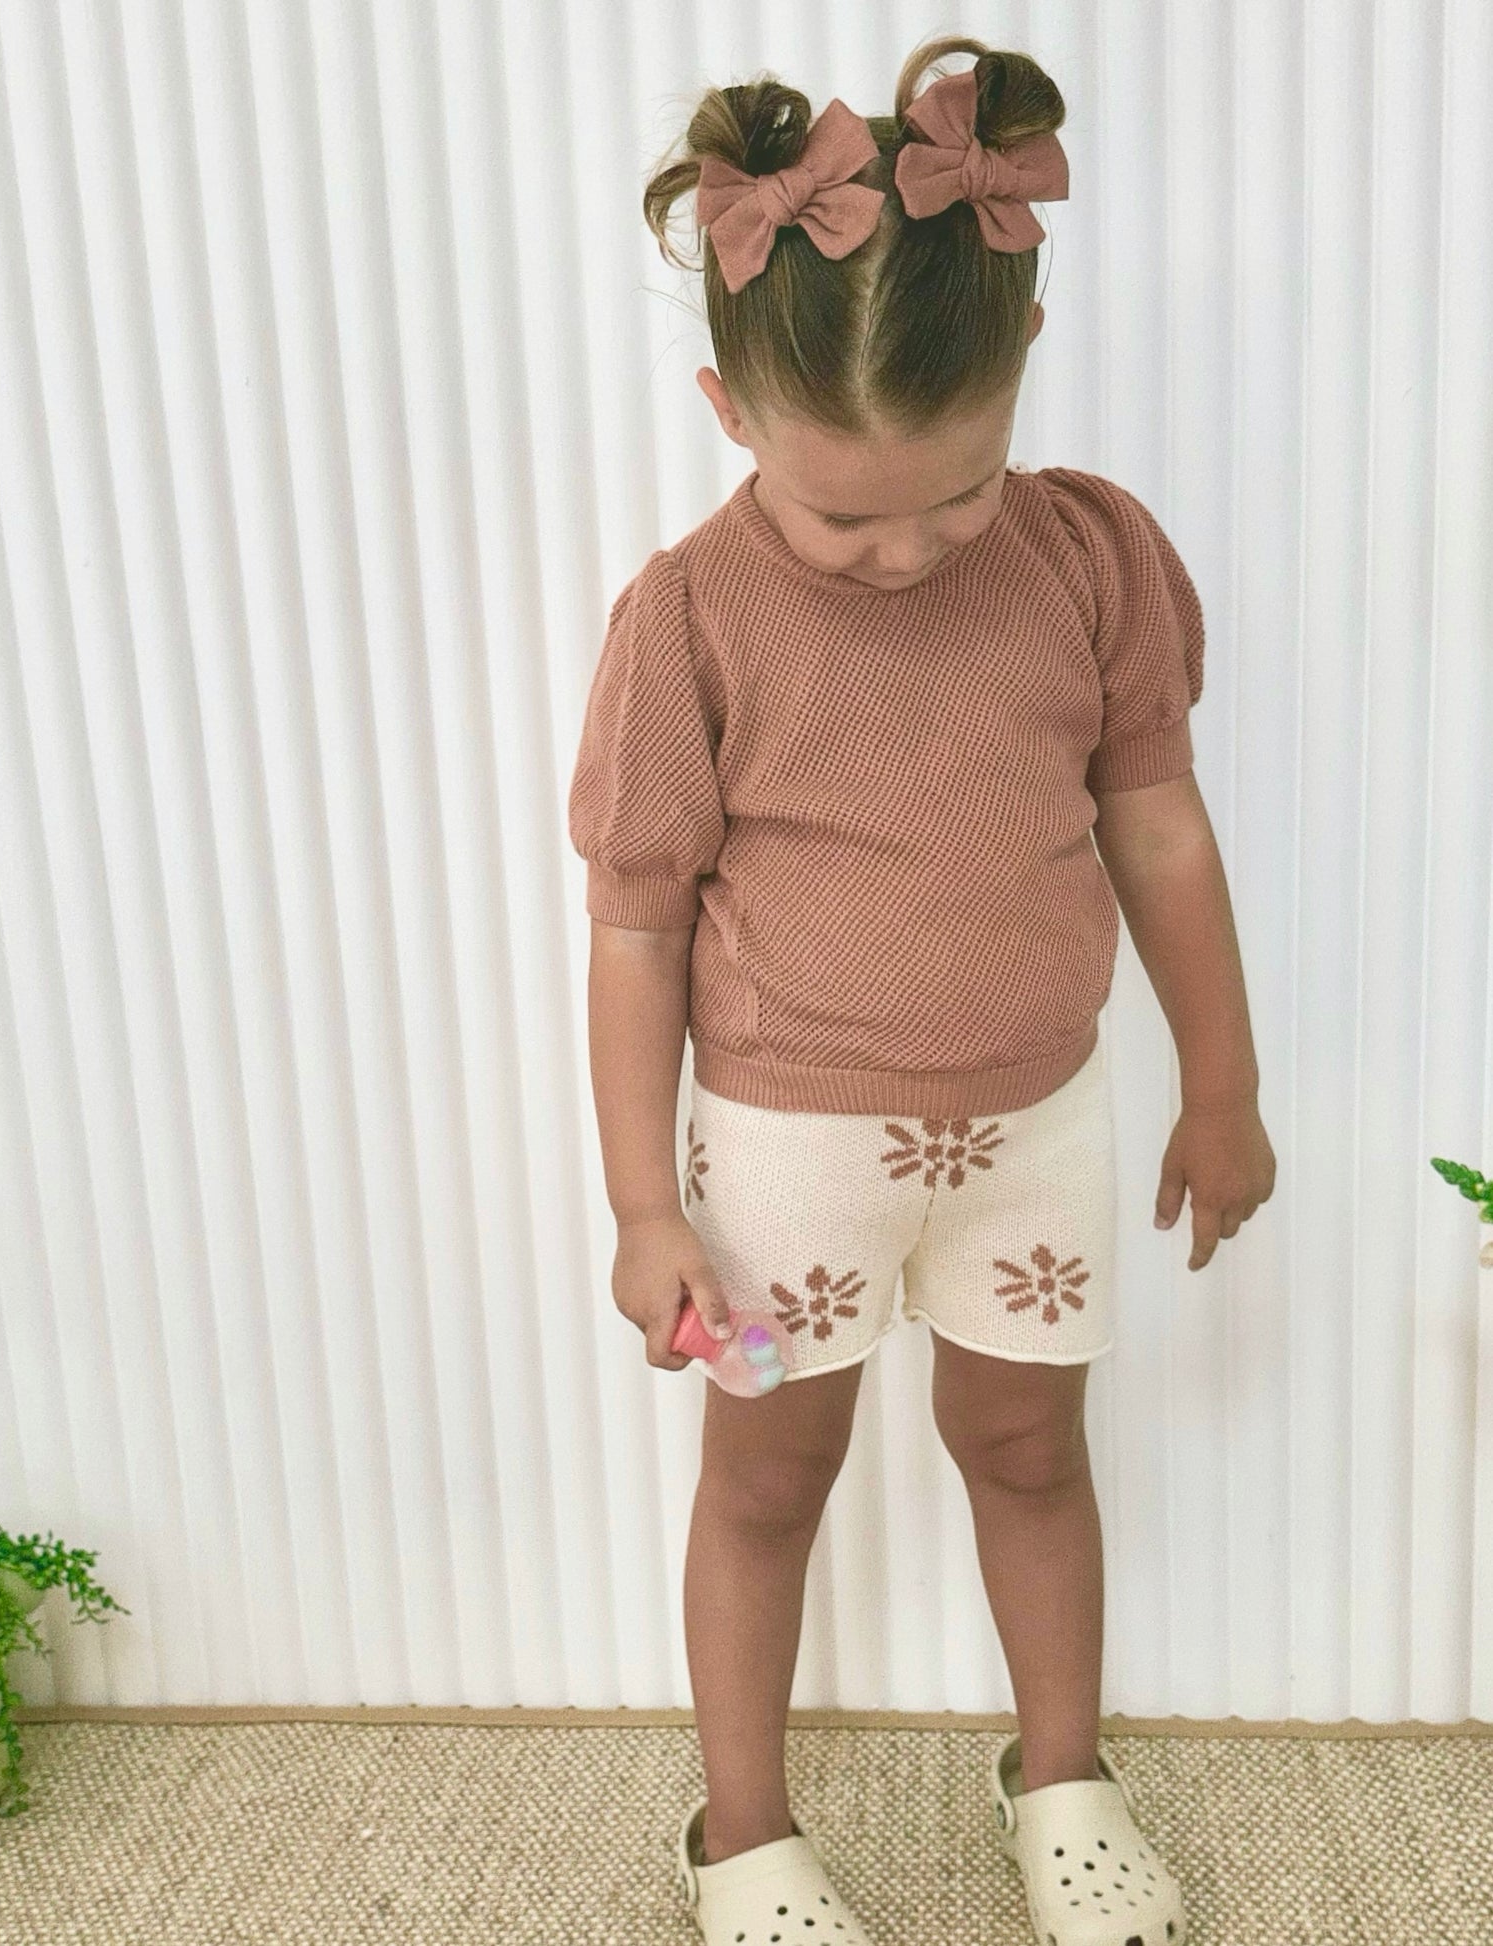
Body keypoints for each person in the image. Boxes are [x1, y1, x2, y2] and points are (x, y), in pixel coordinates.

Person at [566, 35, 1277, 1946]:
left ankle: (1057, 1766)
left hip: (1037, 1123)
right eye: (840, 520)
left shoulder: (1085, 559)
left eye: (949, 500)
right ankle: (740, 1826)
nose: (901, 555)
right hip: (785, 1154)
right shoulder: (691, 619)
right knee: (768, 1475)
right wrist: (647, 1205)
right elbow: (634, 926)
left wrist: (1223, 1083)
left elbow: (1163, 835)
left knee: (1030, 1449)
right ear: (727, 411)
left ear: (1022, 371)